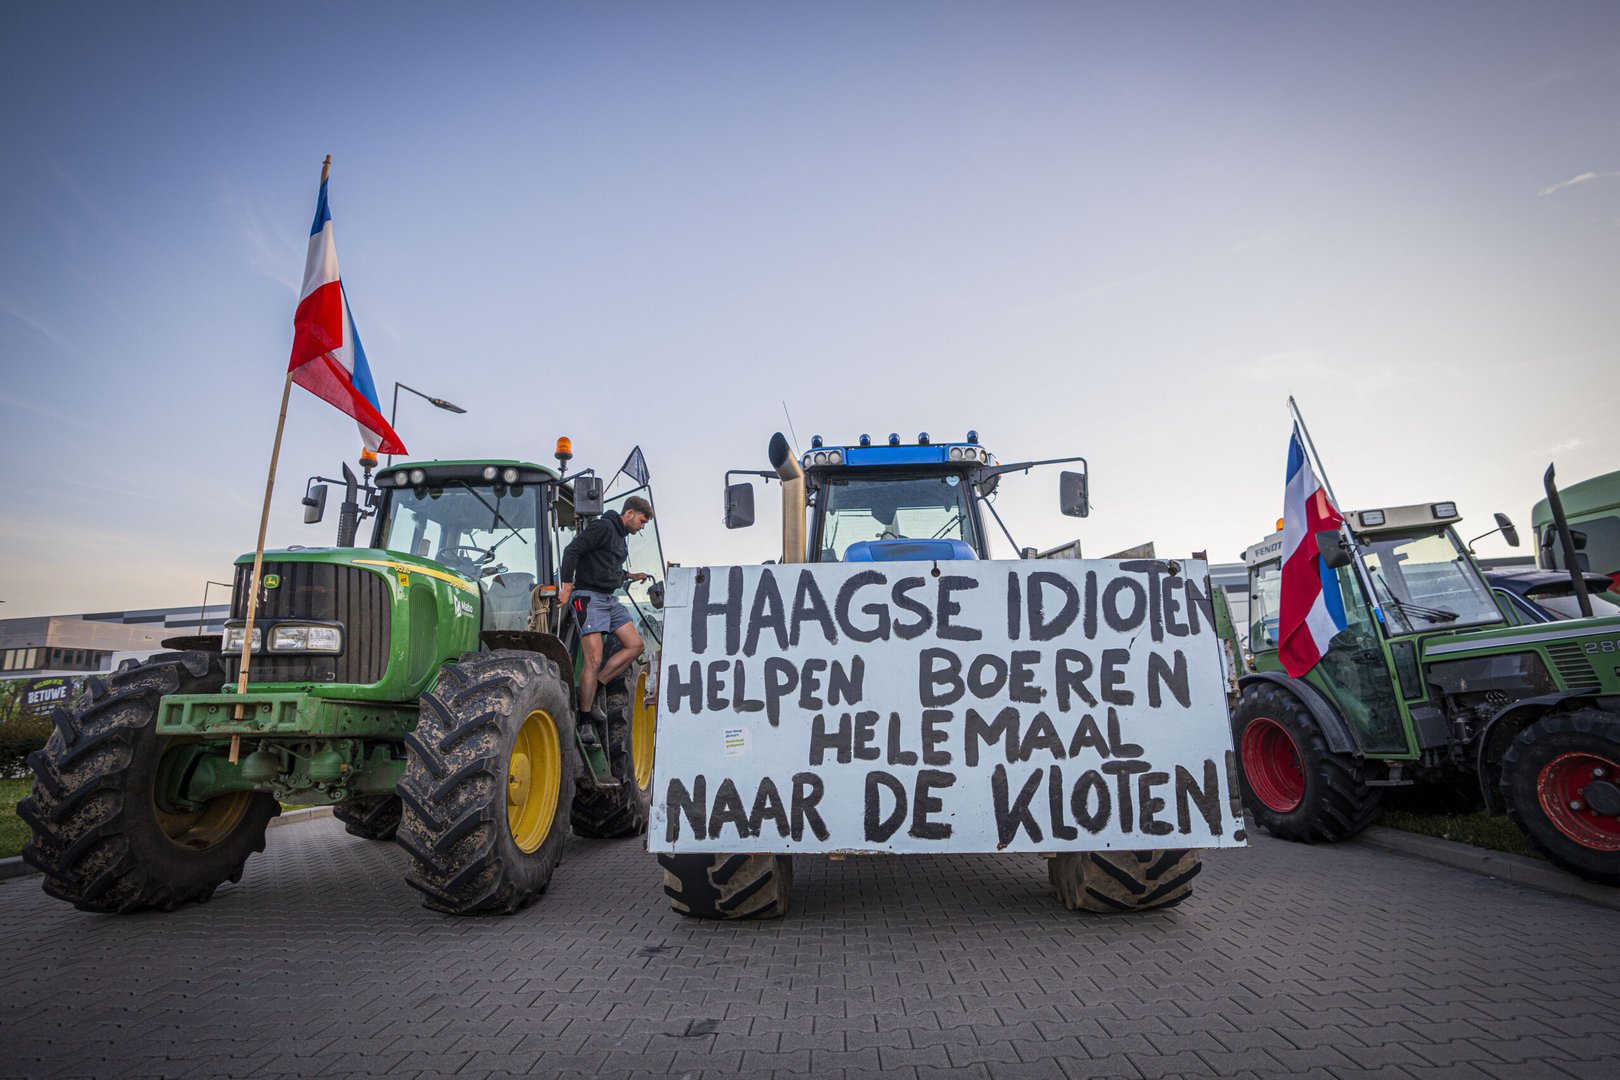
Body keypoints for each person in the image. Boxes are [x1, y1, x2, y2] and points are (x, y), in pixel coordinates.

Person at [558, 495, 654, 722]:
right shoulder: (603, 527)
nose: (642, 527)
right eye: (642, 521)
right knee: (594, 658)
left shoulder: (620, 538)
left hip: (609, 600)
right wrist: (567, 587)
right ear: (629, 513)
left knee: (636, 646)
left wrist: (630, 575)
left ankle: (597, 687)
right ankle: (585, 719)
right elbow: (572, 550)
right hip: (589, 597)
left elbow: (606, 566)